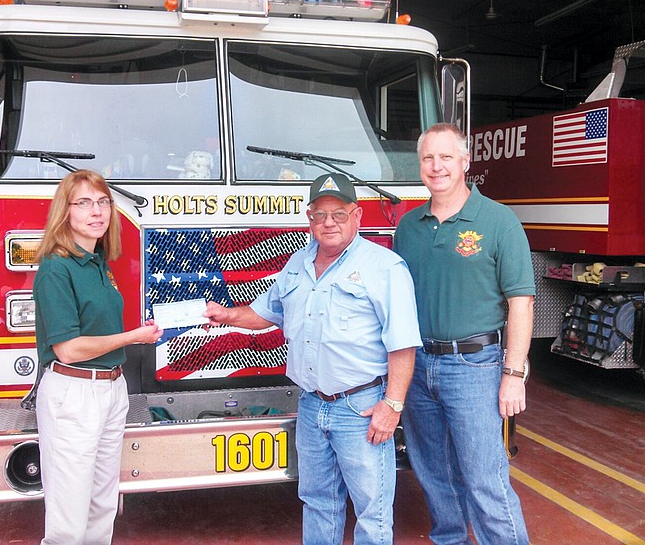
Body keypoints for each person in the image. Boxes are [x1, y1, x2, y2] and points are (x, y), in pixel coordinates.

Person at [205, 172, 421, 545]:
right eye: (320, 214)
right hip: (311, 405)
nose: (328, 223)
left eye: (338, 214)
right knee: (318, 501)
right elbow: (266, 313)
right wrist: (227, 316)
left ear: (356, 216)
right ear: (309, 219)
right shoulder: (296, 263)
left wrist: (393, 405)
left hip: (361, 409)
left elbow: (402, 345)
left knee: (372, 511)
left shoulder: (385, 267)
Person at [393, 123, 534, 545]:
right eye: (428, 159)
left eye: (446, 157)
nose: (437, 167)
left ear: (466, 162)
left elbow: (521, 303)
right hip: (418, 367)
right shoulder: (408, 226)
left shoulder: (498, 221)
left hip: (475, 366)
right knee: (434, 473)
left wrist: (513, 374)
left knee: (484, 478)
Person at [33, 169, 163, 545]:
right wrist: (135, 337)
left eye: (103, 202)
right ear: (66, 212)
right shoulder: (56, 269)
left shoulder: (99, 264)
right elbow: (69, 349)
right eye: (84, 203)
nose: (97, 211)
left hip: (110, 389)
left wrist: (142, 331)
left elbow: (99, 328)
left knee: (102, 507)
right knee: (68, 520)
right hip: (73, 394)